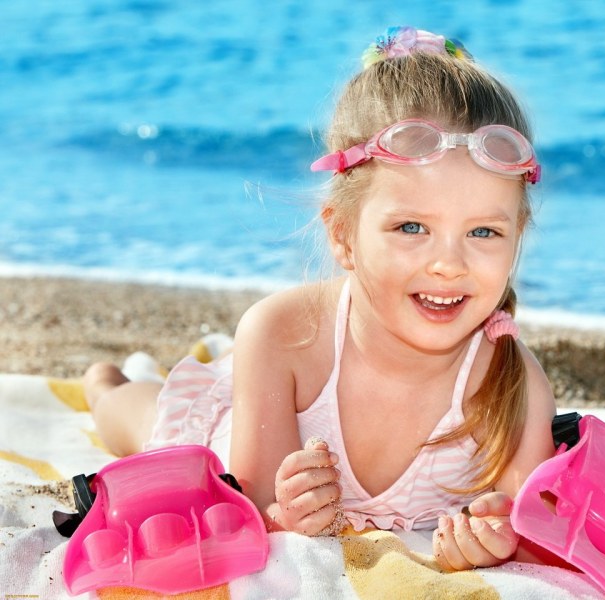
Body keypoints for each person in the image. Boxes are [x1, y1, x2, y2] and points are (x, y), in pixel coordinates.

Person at [83, 26, 556, 572]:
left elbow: (528, 528)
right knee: (143, 423)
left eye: (483, 233)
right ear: (342, 235)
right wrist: (287, 512)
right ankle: (104, 384)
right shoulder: (282, 334)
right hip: (231, 436)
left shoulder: (513, 382)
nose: (448, 263)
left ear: (516, 237)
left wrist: (495, 540)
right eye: (410, 227)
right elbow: (253, 507)